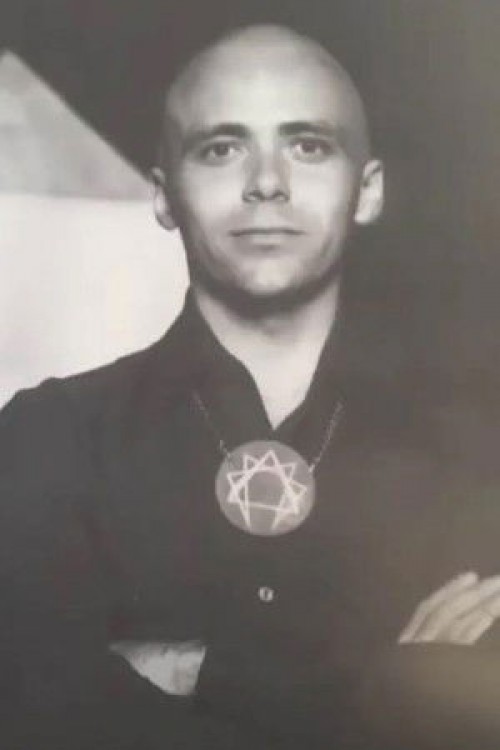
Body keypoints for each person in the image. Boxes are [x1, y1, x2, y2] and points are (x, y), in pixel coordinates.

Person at [2, 21, 500, 750]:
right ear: (164, 195)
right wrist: (392, 683)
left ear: (367, 192)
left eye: (308, 146)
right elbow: (29, 712)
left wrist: (192, 670)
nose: (267, 182)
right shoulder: (49, 436)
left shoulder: (480, 449)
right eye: (222, 148)